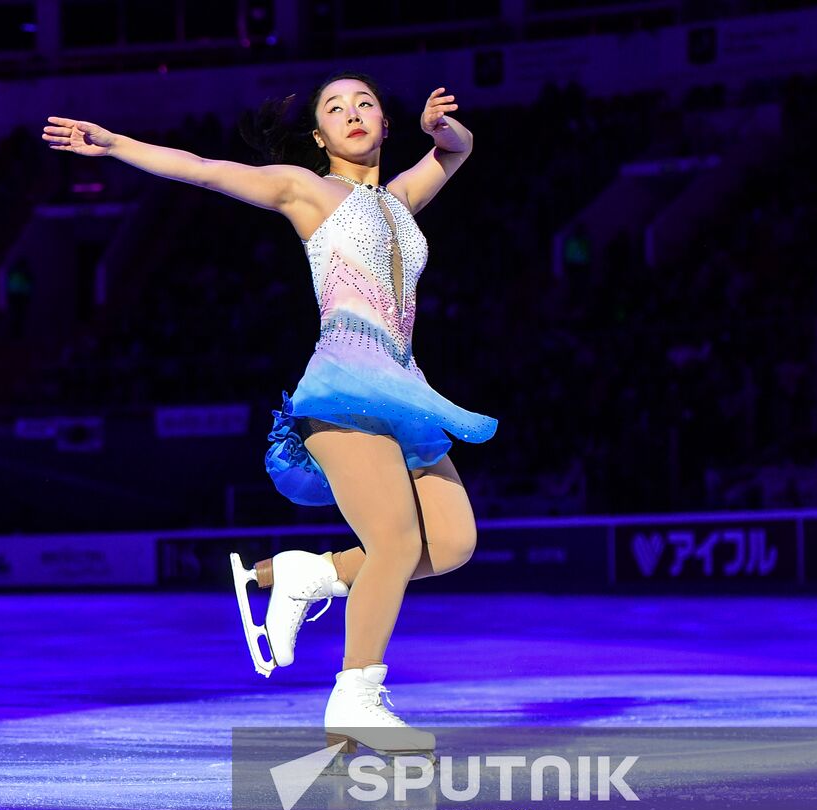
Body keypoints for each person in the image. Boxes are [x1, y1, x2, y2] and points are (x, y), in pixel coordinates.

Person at [42, 71, 497, 757]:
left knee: (453, 543)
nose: (353, 113)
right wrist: (116, 145)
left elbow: (459, 149)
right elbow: (204, 171)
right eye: (336, 108)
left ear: (383, 121)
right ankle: (356, 698)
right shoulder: (310, 190)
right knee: (398, 542)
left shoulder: (402, 200)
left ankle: (302, 576)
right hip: (344, 383)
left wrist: (442, 129)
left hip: (404, 391)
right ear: (319, 136)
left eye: (366, 102)